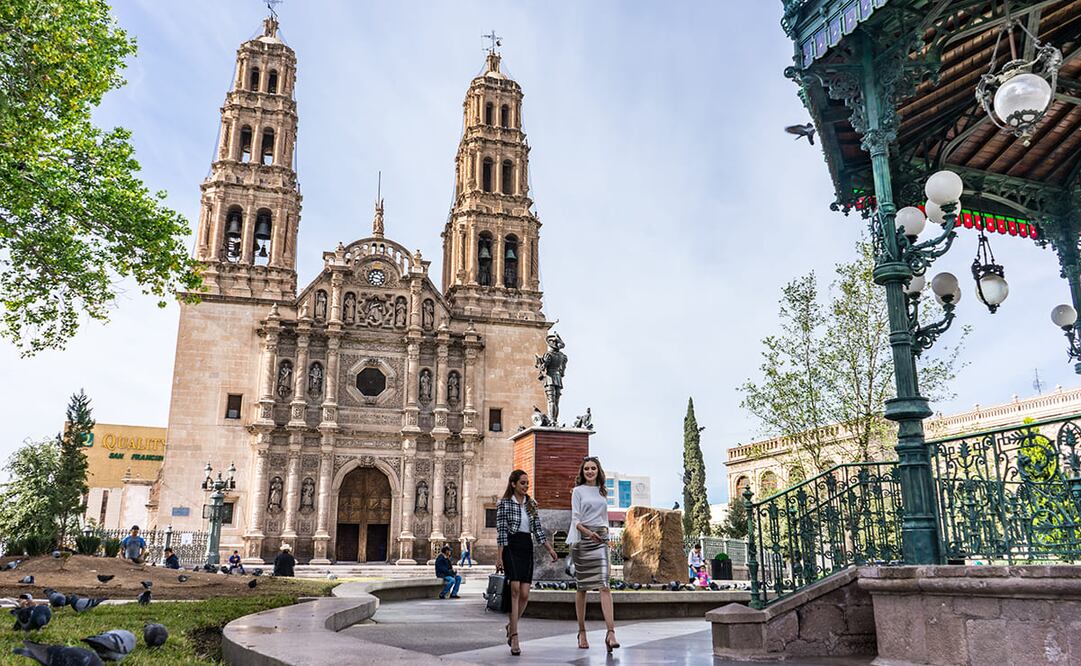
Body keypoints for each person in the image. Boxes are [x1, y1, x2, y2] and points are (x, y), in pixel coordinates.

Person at [496, 469, 558, 657]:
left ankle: (511, 624)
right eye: (522, 483)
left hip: (526, 546)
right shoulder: (504, 504)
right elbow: (501, 532)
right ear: (513, 484)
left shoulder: (532, 505)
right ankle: (515, 636)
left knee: (524, 594)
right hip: (511, 547)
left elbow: (537, 530)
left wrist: (549, 548)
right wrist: (499, 557)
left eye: (527, 483)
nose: (526, 486)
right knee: (514, 589)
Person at [568, 456, 620, 652]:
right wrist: (590, 534)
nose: (590, 471)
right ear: (582, 472)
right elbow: (576, 520)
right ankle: (582, 631)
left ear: (598, 471)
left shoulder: (602, 491)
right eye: (587, 469)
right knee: (582, 588)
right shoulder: (578, 491)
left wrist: (604, 536)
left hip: (601, 539)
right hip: (583, 540)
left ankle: (611, 632)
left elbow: (604, 518)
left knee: (604, 586)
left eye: (593, 468)